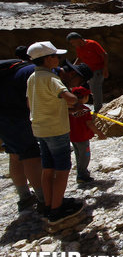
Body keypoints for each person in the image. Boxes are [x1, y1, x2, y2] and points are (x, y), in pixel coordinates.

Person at [26, 41, 84, 224]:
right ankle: (57, 210)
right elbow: (71, 98)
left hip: (40, 129)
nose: (58, 59)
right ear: (47, 59)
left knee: (48, 167)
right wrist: (76, 103)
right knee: (63, 169)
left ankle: (49, 204)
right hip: (56, 129)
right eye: (55, 56)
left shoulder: (32, 78)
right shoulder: (51, 79)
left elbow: (30, 104)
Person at [0, 53, 45, 213]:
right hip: (19, 117)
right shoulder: (34, 72)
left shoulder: (14, 69)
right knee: (31, 156)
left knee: (14, 155)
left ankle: (24, 196)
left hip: (4, 117)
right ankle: (44, 199)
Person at [69, 86, 106, 183]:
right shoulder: (85, 110)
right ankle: (82, 175)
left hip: (73, 137)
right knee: (85, 155)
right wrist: (99, 133)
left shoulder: (69, 109)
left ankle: (80, 172)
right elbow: (89, 124)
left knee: (78, 155)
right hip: (82, 137)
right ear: (84, 97)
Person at [66, 32, 109, 112]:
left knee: (95, 88)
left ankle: (98, 109)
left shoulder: (92, 44)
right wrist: (73, 67)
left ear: (78, 39)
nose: (72, 44)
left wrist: (105, 68)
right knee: (90, 89)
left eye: (72, 42)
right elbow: (79, 58)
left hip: (98, 70)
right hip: (88, 71)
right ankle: (93, 107)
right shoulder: (79, 47)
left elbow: (104, 55)